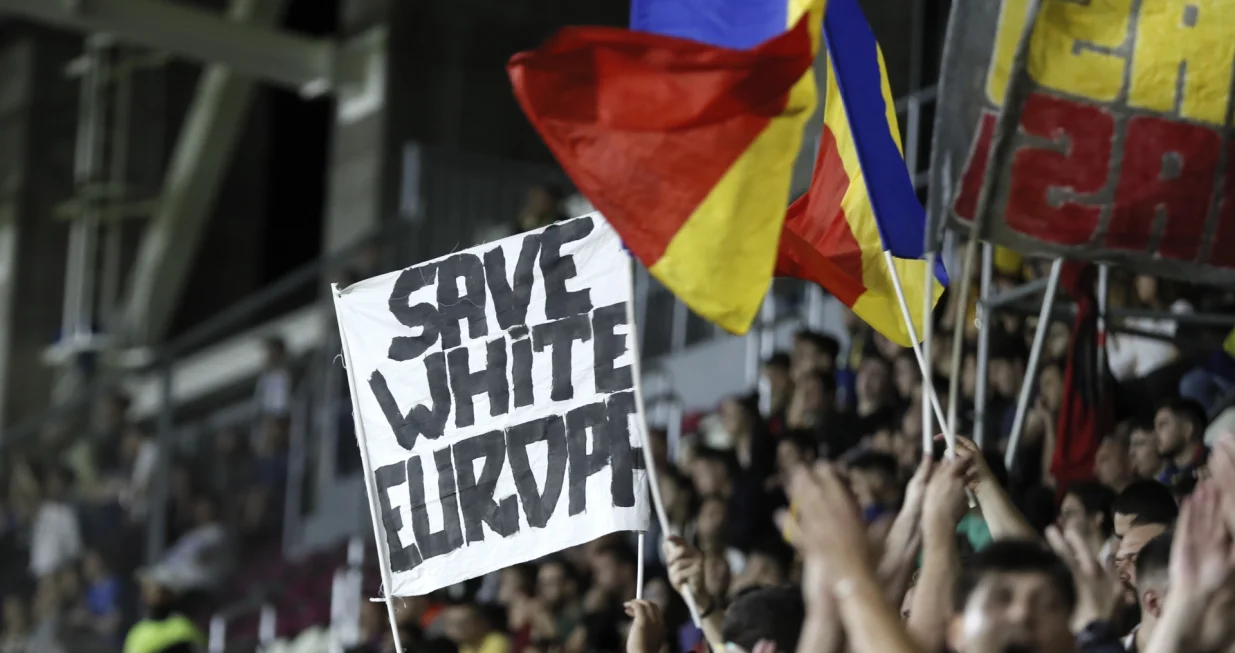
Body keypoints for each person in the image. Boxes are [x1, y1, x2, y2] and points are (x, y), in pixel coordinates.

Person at [1153, 398, 1209, 493]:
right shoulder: (1166, 484)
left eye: (1163, 425)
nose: (1155, 434)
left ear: (1188, 429)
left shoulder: (1216, 460)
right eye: (1155, 428)